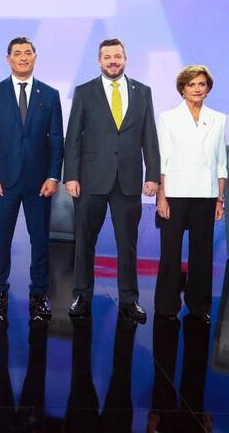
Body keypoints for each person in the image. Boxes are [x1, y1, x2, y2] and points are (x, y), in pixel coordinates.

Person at [63, 38, 160, 323]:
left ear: (126, 59)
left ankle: (129, 299)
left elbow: (149, 137)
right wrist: (71, 176)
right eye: (107, 57)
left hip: (128, 180)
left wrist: (152, 174)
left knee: (127, 243)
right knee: (84, 241)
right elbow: (73, 138)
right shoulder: (84, 91)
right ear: (99, 61)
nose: (113, 61)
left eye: (117, 56)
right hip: (91, 179)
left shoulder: (143, 92)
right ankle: (82, 295)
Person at [0, 36, 63, 319]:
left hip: (40, 183)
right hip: (3, 182)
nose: (23, 57)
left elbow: (57, 140)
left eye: (28, 53)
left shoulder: (50, 95)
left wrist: (53, 176)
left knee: (40, 241)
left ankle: (39, 294)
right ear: (8, 59)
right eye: (17, 53)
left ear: (35, 57)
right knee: (1, 240)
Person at [154, 65, 227, 323]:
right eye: (192, 84)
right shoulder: (168, 118)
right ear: (182, 89)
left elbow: (221, 161)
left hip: (206, 194)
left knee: (202, 252)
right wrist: (161, 196)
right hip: (175, 192)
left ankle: (198, 304)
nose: (197, 89)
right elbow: (162, 159)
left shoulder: (218, 118)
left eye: (202, 84)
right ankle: (166, 305)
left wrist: (220, 197)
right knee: (171, 251)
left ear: (208, 88)